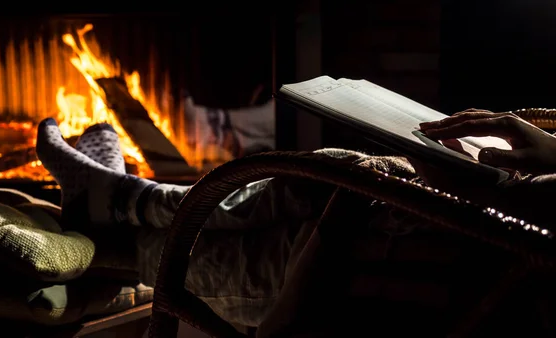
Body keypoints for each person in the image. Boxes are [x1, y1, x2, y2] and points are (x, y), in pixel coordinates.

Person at [33, 108, 556, 327]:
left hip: (450, 255)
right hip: (452, 202)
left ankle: (115, 204)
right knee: (323, 178)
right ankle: (118, 198)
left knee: (285, 236)